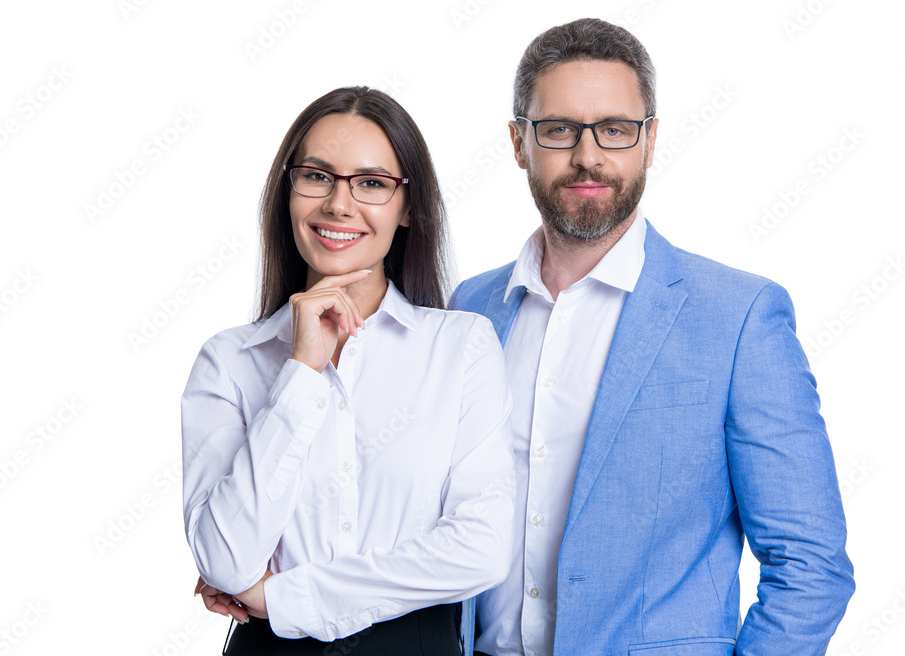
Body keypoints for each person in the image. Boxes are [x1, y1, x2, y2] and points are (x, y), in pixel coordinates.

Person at [449, 18, 855, 656]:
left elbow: (810, 566)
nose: (588, 156)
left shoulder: (740, 317)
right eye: (558, 130)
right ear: (519, 142)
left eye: (615, 130)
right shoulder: (470, 309)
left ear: (651, 140)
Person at [181, 86, 515, 656]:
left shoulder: (460, 346)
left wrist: (286, 598)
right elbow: (224, 559)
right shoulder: (229, 361)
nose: (339, 204)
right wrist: (302, 371)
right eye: (317, 176)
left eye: (371, 183)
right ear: (288, 192)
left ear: (408, 206)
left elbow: (481, 547)